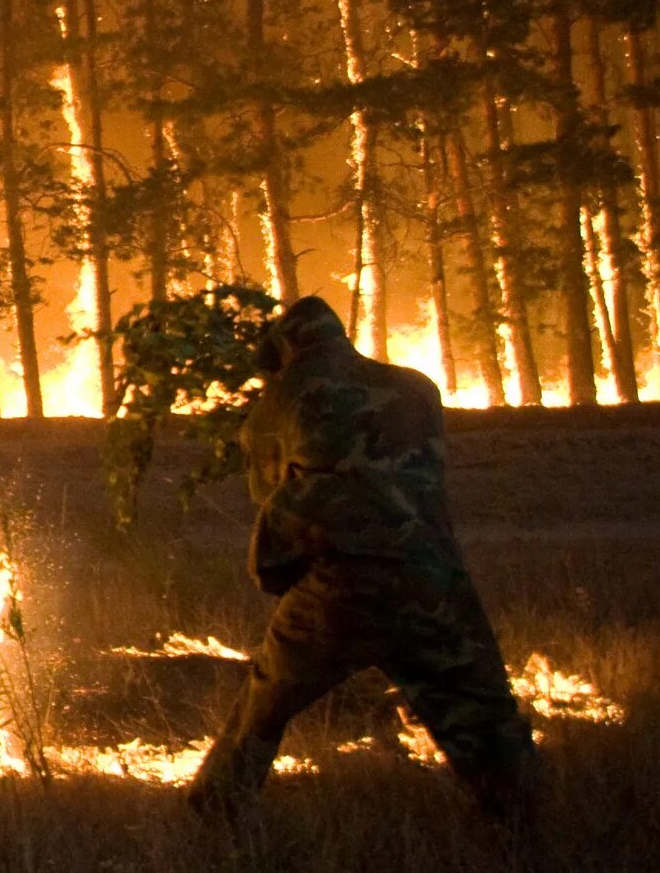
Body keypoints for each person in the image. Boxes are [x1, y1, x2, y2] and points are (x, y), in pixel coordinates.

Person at [187, 294, 540, 821]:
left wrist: (283, 573)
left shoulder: (279, 404)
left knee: (264, 706)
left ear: (286, 347)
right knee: (481, 708)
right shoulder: (417, 389)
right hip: (431, 578)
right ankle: (524, 819)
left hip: (338, 588)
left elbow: (276, 504)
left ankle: (214, 811)